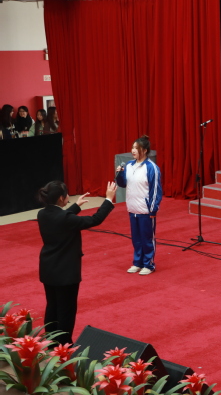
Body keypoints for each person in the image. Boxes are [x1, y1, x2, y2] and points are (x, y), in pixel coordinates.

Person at [37, 180, 116, 345]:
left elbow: (61, 218)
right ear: (61, 198)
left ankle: (50, 342)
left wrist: (76, 206)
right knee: (66, 310)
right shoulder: (66, 218)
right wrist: (108, 199)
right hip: (65, 273)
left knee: (52, 306)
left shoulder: (42, 214)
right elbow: (95, 220)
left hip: (48, 269)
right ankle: (64, 345)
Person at [116, 135, 162, 275]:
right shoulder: (129, 165)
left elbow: (156, 190)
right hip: (132, 208)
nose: (133, 150)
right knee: (136, 239)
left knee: (147, 239)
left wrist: (153, 209)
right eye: (133, 147)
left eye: (137, 148)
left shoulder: (152, 168)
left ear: (145, 150)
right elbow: (123, 184)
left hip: (146, 210)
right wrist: (119, 174)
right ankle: (138, 263)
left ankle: (149, 264)